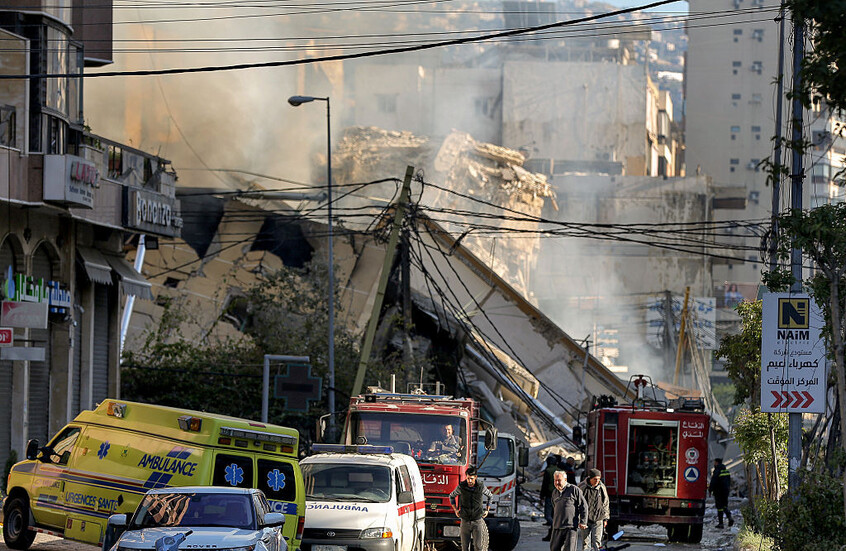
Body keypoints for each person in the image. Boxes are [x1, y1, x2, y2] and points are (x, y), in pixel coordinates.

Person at [449, 466, 492, 551]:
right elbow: (451, 496)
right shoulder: (462, 487)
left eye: (471, 479)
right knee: (465, 548)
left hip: (477, 521)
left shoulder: (481, 487)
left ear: (475, 477)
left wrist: (487, 510)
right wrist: (455, 510)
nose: (469, 481)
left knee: (478, 547)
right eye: (468, 478)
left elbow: (490, 496)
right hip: (465, 521)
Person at [549, 470, 587, 551]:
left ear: (565, 480)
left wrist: (583, 521)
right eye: (555, 480)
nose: (557, 482)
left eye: (559, 480)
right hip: (557, 526)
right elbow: (554, 506)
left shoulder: (574, 490)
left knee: (569, 549)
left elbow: (583, 506)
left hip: (570, 527)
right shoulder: (554, 492)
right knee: (554, 549)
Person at [578, 468, 610, 551]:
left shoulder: (601, 488)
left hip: (598, 518)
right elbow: (577, 503)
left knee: (597, 542)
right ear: (590, 478)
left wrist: (605, 518)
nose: (597, 481)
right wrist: (579, 519)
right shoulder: (582, 487)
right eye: (595, 479)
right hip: (585, 519)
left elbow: (605, 503)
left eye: (599, 479)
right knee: (585, 543)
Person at [709, 458, 733, 528]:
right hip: (726, 491)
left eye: (714, 462)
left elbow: (713, 481)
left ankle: (721, 523)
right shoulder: (726, 471)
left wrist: (710, 490)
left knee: (719, 507)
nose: (714, 464)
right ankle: (730, 517)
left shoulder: (717, 471)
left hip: (718, 492)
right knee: (725, 505)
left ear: (716, 463)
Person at [540, 455, 559, 540]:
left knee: (548, 516)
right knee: (555, 515)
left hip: (550, 495)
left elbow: (545, 484)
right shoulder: (560, 471)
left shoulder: (548, 471)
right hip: (559, 496)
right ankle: (552, 534)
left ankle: (556, 527)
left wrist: (541, 496)